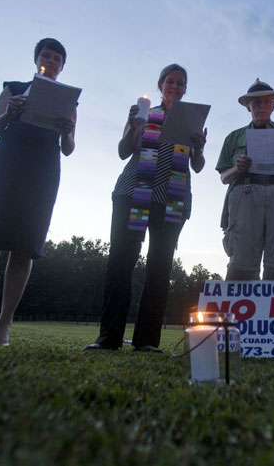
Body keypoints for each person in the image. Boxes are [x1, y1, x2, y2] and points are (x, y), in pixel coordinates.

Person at [0, 38, 76, 346]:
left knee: (25, 246)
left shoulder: (68, 100)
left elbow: (68, 148)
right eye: (46, 55)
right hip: (5, 165)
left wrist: (67, 132)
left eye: (57, 59)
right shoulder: (13, 89)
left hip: (43, 171)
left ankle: (4, 324)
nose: (51, 61)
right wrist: (9, 113)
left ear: (62, 66)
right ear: (36, 60)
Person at [85, 64, 206, 353]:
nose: (174, 87)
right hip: (134, 193)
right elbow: (123, 152)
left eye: (180, 83)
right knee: (120, 262)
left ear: (185, 89)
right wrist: (133, 127)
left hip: (171, 198)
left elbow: (198, 166)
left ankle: (147, 340)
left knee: (160, 268)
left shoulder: (191, 121)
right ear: (160, 85)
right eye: (170, 81)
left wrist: (199, 147)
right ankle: (109, 338)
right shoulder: (144, 114)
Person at [216, 79, 274, 280]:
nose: (262, 106)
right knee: (241, 262)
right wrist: (237, 168)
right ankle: (240, 298)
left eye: (267, 102)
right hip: (245, 195)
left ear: (273, 105)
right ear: (248, 106)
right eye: (256, 102)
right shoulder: (234, 137)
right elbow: (223, 177)